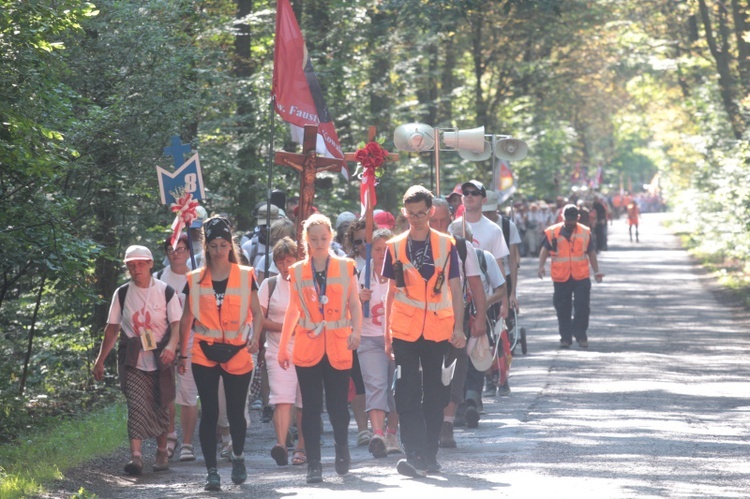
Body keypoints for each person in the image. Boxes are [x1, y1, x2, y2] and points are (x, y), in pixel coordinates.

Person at [383, 185, 465, 477]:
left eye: (421, 213)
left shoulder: (447, 244)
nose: (416, 219)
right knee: (406, 392)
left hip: (438, 330)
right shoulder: (394, 246)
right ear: (404, 213)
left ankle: (429, 454)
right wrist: (386, 335)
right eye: (411, 214)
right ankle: (414, 453)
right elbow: (391, 293)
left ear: (431, 212)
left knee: (435, 394)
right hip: (404, 330)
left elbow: (456, 288)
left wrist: (459, 327)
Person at [177, 216, 263, 491]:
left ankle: (238, 456)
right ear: (206, 246)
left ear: (230, 245)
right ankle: (211, 470)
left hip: (238, 351)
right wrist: (181, 353)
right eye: (213, 245)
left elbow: (258, 314)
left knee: (236, 413)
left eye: (223, 244)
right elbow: (186, 317)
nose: (218, 250)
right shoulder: (194, 278)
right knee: (210, 412)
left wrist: (256, 339)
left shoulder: (245, 274)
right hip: (204, 352)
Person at [278, 213, 363, 484]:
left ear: (331, 238)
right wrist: (282, 346)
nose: (319, 243)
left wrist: (357, 332)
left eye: (324, 238)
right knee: (311, 409)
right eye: (313, 239)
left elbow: (354, 304)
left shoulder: (346, 266)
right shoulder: (297, 271)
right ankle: (313, 464)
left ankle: (342, 450)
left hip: (339, 344)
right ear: (306, 240)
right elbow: (292, 309)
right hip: (308, 346)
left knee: (338, 407)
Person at [93, 245, 181, 476]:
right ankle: (136, 457)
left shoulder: (166, 291)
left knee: (161, 403)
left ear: (151, 263)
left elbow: (176, 325)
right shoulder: (122, 293)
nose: (136, 268)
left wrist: (172, 345)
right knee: (136, 405)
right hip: (132, 358)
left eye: (141, 263)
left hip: (160, 357)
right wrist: (100, 360)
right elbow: (112, 328)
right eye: (131, 265)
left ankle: (162, 451)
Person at [258, 237, 307, 467]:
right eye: (280, 261)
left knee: (304, 401)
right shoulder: (269, 285)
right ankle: (280, 444)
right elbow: (260, 320)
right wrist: (287, 327)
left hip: (307, 348)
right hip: (277, 348)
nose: (285, 266)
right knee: (282, 398)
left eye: (290, 260)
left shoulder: (308, 282)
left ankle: (302, 447)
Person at [357, 228, 403, 458]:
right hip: (369, 339)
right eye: (377, 249)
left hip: (398, 338)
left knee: (396, 389)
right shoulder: (363, 275)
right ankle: (377, 434)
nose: (381, 254)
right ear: (370, 251)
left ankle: (392, 433)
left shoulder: (400, 274)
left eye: (386, 250)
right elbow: (350, 310)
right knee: (376, 385)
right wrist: (358, 299)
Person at [154, 234, 198, 462]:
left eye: (181, 249)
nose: (176, 253)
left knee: (188, 393)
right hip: (163, 340)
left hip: (191, 339)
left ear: (189, 251)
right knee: (166, 391)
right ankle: (170, 436)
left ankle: (188, 443)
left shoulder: (198, 278)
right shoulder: (158, 278)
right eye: (171, 249)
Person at [538, 205, 604, 349]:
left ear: (578, 218)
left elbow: (591, 252)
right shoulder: (553, 232)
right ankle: (565, 338)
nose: (570, 223)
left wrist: (596, 271)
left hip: (581, 276)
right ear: (563, 218)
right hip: (561, 276)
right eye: (567, 220)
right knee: (562, 308)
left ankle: (581, 335)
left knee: (582, 307)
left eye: (572, 220)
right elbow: (544, 249)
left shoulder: (585, 232)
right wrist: (541, 266)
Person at [482, 190, 521, 396]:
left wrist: (512, 293)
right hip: (481, 285)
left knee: (502, 336)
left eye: (490, 212)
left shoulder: (507, 226)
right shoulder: (469, 224)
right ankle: (489, 378)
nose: (487, 216)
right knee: (485, 339)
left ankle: (503, 378)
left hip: (502, 283)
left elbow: (513, 260)